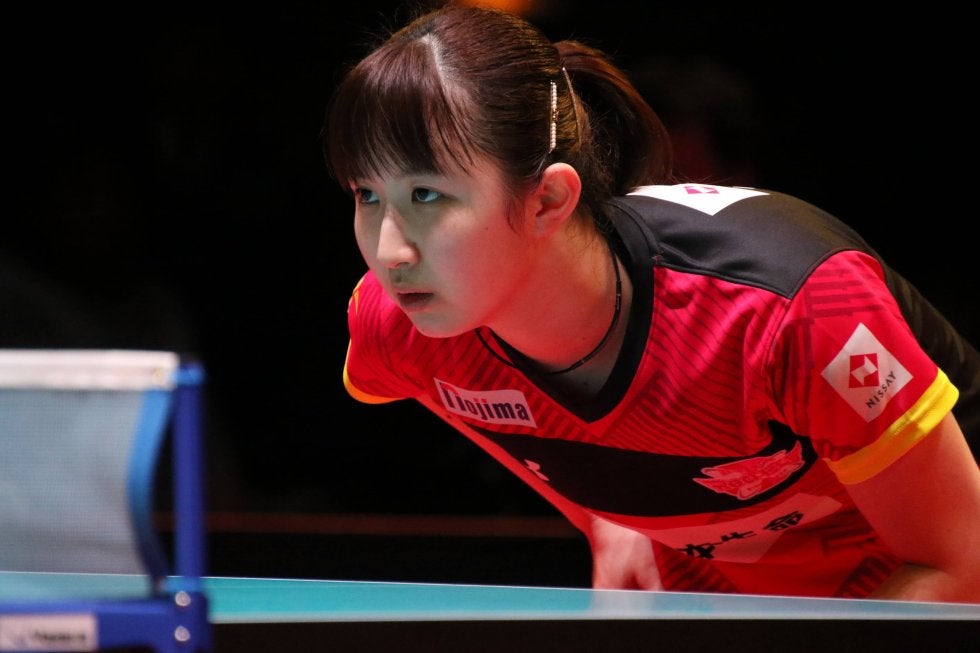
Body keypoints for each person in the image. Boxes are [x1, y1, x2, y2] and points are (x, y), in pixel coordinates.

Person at [322, 2, 980, 601]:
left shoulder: (787, 310)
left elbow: (960, 566)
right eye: (367, 195)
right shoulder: (401, 326)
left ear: (548, 199)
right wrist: (609, 517)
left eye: (427, 196)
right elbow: (508, 419)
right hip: (734, 595)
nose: (390, 251)